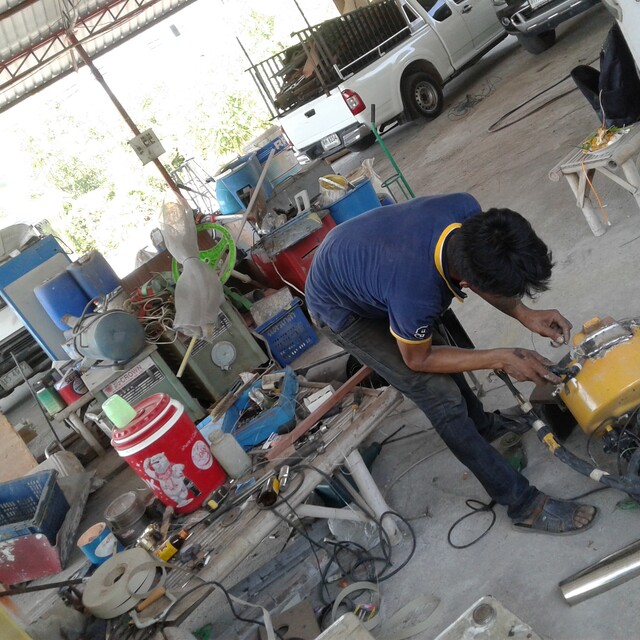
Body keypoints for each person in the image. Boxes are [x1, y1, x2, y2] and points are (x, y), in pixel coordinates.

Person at [305, 193, 597, 535]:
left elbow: (478, 274)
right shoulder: (415, 291)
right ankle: (523, 504)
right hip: (340, 307)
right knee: (438, 393)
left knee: (441, 347)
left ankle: (484, 427)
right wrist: (501, 358)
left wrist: (524, 312)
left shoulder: (466, 211)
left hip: (366, 264)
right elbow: (418, 358)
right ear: (468, 283)